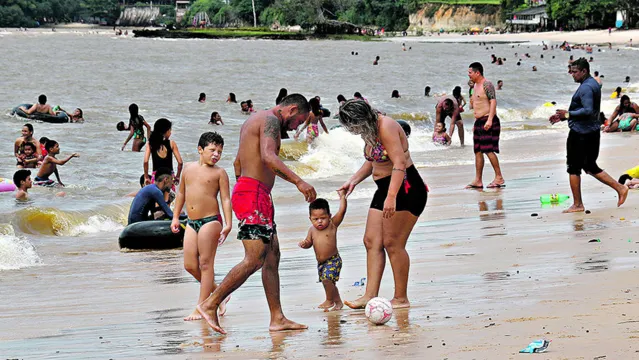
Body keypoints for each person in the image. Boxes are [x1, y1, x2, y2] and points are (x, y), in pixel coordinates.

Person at [196, 94, 316, 335]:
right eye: (297, 121)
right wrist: (299, 182)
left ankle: (277, 318)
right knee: (255, 257)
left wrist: (246, 190)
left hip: (255, 194)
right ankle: (210, 304)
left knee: (272, 257)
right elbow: (268, 157)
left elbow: (238, 162)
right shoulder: (270, 120)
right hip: (253, 195)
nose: (295, 128)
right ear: (291, 110)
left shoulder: (254, 120)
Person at [337, 100, 427, 310]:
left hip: (405, 188)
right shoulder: (370, 129)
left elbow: (399, 163)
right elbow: (373, 162)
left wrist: (391, 196)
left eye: (352, 126)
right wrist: (353, 180)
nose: (352, 131)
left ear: (361, 119)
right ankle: (369, 295)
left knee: (393, 243)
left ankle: (401, 298)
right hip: (384, 188)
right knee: (371, 241)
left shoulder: (385, 126)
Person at [549, 58, 628, 213]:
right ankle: (620, 188)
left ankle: (578, 205)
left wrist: (568, 114)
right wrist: (565, 116)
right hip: (591, 132)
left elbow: (588, 110)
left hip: (581, 134)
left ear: (584, 71)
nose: (572, 74)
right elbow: (588, 110)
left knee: (573, 168)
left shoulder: (586, 88)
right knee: (589, 166)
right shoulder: (592, 84)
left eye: (575, 72)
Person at [171, 132, 233, 321]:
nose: (216, 154)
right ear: (200, 149)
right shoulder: (188, 169)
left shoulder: (219, 173)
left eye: (220, 152)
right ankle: (218, 295)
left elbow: (225, 199)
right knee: (190, 265)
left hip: (210, 221)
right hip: (191, 222)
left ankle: (201, 307)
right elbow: (180, 194)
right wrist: (175, 217)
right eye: (212, 150)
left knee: (206, 264)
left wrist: (229, 224)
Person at [298, 194, 347, 311]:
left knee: (327, 279)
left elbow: (342, 211)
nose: (319, 221)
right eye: (315, 219)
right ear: (310, 218)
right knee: (328, 283)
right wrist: (305, 244)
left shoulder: (332, 225)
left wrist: (343, 198)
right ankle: (337, 302)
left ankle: (331, 300)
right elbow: (309, 243)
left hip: (333, 260)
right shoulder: (311, 230)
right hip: (321, 263)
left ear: (329, 216)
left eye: (323, 218)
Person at [466, 62, 505, 189]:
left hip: (488, 120)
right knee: (477, 151)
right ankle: (478, 180)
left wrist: (489, 119)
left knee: (488, 149)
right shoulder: (474, 86)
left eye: (470, 72)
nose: (468, 74)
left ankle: (499, 177)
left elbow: (493, 101)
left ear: (478, 72)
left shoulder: (487, 84)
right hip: (478, 121)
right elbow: (475, 105)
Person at [144, 118, 183, 189]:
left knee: (156, 197)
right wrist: (177, 176)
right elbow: (180, 162)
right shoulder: (172, 143)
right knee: (170, 198)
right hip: (169, 176)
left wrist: (146, 177)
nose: (170, 132)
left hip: (156, 176)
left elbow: (145, 161)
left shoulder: (151, 144)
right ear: (166, 131)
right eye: (170, 130)